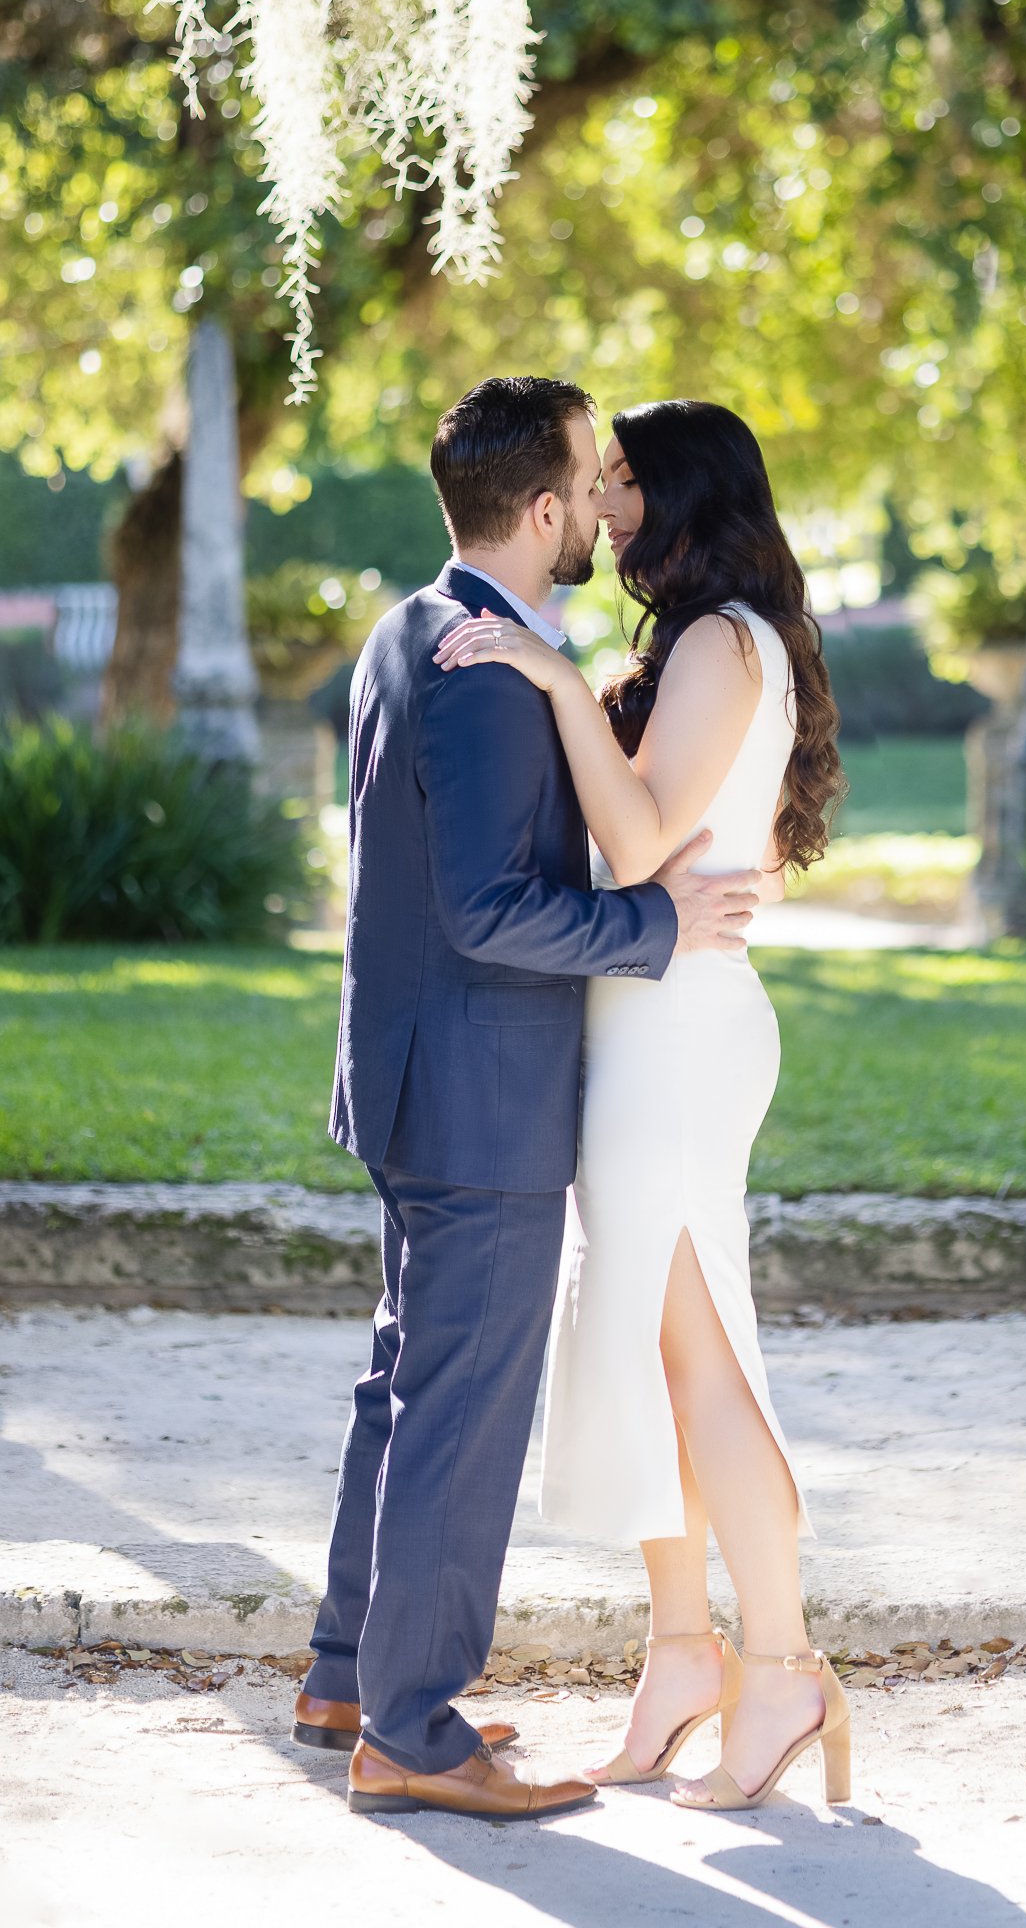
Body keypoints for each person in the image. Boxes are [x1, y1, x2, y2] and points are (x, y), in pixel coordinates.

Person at [294, 376, 763, 1822]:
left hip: (410, 1081)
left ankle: (346, 1675)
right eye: (588, 476)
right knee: (458, 1410)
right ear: (545, 508)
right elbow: (495, 909)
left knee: (402, 1383)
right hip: (481, 1098)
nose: (604, 502)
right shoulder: (493, 666)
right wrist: (656, 929)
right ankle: (417, 1734)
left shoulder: (409, 626)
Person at [434, 397, 850, 1813]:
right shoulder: (695, 645)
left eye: (618, 480)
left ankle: (782, 1664)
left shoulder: (728, 644)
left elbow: (634, 838)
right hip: (642, 1022)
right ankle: (683, 1650)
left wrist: (552, 680)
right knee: (644, 1349)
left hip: (680, 1036)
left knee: (700, 1354)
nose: (597, 502)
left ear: (679, 495)